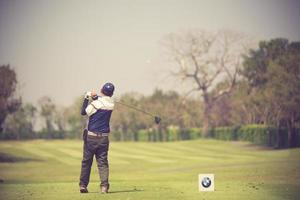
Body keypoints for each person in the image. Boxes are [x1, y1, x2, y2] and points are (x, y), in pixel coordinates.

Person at [79, 82, 115, 194]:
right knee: (103, 163)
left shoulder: (96, 104)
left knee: (86, 162)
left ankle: (83, 185)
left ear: (101, 90)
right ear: (112, 93)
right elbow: (102, 102)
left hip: (91, 137)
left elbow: (83, 112)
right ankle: (104, 187)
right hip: (104, 139)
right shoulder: (111, 103)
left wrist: (86, 97)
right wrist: (95, 98)